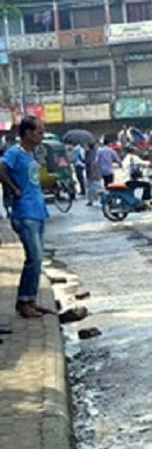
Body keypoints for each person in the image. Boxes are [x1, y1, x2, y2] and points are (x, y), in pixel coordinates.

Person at [0, 116, 53, 319]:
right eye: (39, 132)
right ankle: (23, 301)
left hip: (37, 211)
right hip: (24, 212)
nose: (41, 135)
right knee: (34, 257)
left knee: (37, 260)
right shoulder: (14, 152)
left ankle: (31, 300)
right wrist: (13, 189)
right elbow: (1, 168)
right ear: (28, 133)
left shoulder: (30, 155)